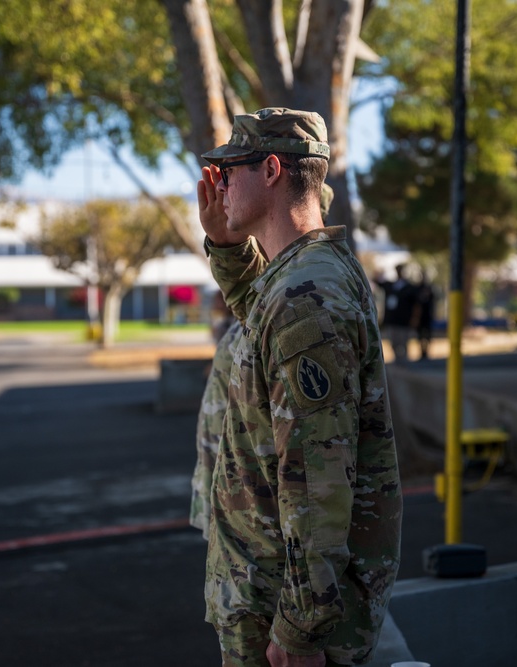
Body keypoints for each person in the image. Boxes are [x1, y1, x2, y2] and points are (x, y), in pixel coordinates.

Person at [196, 107, 401, 667]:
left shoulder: (305, 295)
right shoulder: (305, 274)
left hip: (275, 613)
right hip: (265, 593)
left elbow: (318, 480)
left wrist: (299, 630)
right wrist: (228, 246)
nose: (219, 185)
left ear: (269, 170)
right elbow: (260, 321)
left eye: (228, 170)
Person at [191, 184, 335, 538]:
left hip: (263, 522)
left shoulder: (295, 300)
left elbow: (314, 462)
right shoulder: (263, 298)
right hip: (230, 500)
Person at [374, 264, 415, 364]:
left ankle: (404, 361)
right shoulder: (390, 285)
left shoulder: (409, 287)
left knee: (403, 342)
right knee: (393, 342)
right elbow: (377, 281)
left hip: (404, 320)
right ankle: (398, 360)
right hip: (392, 320)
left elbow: (415, 304)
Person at [412, 270, 435, 360]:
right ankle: (422, 351)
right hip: (420, 317)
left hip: (427, 316)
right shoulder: (417, 289)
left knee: (427, 335)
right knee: (420, 335)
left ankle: (426, 351)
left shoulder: (430, 289)